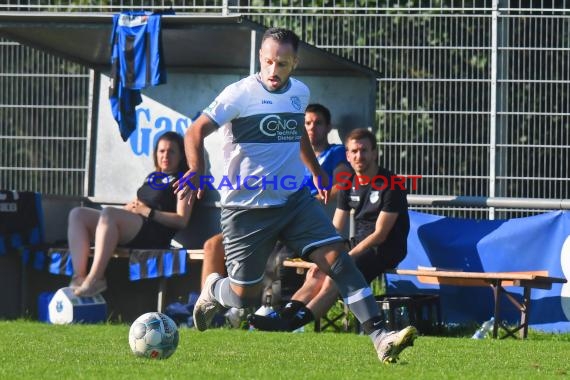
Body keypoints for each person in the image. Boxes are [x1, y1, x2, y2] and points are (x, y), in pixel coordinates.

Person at [177, 27, 417, 364]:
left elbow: (296, 133)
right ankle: (215, 288)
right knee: (244, 295)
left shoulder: (299, 93)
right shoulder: (240, 94)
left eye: (283, 64)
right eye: (269, 62)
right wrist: (197, 168)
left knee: (339, 260)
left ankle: (380, 337)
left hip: (293, 202)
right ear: (261, 58)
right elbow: (195, 130)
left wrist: (316, 172)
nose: (274, 71)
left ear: (295, 63)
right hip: (246, 210)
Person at [248, 128, 410, 333]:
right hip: (357, 244)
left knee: (336, 276)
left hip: (384, 249)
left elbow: (380, 235)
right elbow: (335, 227)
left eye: (364, 150)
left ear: (375, 153)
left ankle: (291, 325)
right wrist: (323, 254)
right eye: (354, 151)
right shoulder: (347, 183)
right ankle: (283, 315)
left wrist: (344, 257)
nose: (359, 156)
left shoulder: (391, 184)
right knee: (315, 273)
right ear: (348, 156)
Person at [199, 103, 350, 289]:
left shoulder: (336, 153)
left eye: (318, 123)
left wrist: (315, 199)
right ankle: (208, 307)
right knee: (213, 245)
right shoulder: (288, 153)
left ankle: (253, 306)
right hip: (270, 215)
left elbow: (343, 185)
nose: (312, 127)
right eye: (307, 123)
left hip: (303, 221)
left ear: (328, 127)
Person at [68, 131, 195, 297]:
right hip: (135, 224)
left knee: (109, 214)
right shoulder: (152, 177)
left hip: (155, 232)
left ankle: (96, 278)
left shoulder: (185, 181)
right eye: (161, 151)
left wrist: (148, 212)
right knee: (78, 214)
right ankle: (80, 277)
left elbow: (181, 220)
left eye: (171, 151)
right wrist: (129, 210)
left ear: (181, 156)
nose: (165, 155)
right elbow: (134, 203)